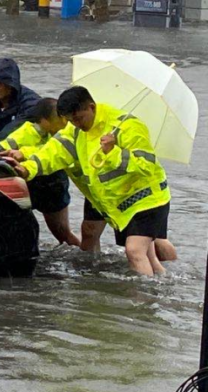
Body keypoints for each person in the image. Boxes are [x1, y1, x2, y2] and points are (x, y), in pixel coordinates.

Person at [12, 86, 177, 276]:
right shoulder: (74, 130)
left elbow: (146, 165)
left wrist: (113, 152)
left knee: (134, 251)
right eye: (71, 120)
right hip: (112, 201)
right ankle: (162, 288)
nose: (76, 124)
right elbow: (52, 153)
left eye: (79, 118)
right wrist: (27, 168)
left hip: (146, 199)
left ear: (91, 107)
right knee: (147, 255)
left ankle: (142, 301)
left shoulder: (127, 126)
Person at [0, 59, 74, 247]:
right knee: (8, 221)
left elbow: (12, 136)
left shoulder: (32, 105)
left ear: (11, 82)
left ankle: (83, 260)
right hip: (11, 173)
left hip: (47, 179)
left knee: (62, 233)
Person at [0, 98, 104, 251]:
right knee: (88, 233)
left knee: (136, 238)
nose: (65, 122)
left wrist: (23, 154)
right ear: (44, 120)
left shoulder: (74, 131)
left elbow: (54, 152)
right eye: (60, 118)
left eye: (65, 117)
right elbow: (4, 147)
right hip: (81, 190)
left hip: (80, 187)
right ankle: (92, 266)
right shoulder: (28, 131)